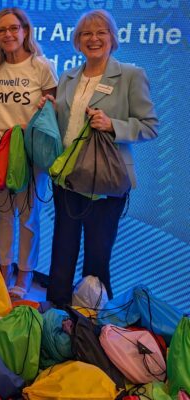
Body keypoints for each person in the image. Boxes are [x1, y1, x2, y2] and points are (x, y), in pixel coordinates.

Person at [44, 9, 158, 308]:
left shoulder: (131, 76)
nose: (93, 39)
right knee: (62, 249)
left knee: (97, 255)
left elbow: (150, 126)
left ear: (112, 39)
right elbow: (67, 122)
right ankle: (54, 314)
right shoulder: (68, 76)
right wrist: (50, 110)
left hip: (104, 182)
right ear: (77, 41)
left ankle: (91, 323)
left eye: (100, 33)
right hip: (68, 177)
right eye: (86, 34)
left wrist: (113, 125)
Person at [0, 8, 58, 299]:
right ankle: (4, 268)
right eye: (2, 30)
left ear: (25, 31)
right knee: (3, 213)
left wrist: (37, 120)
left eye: (14, 28)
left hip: (29, 151)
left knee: (28, 216)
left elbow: (53, 108)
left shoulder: (41, 66)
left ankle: (25, 272)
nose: (8, 34)